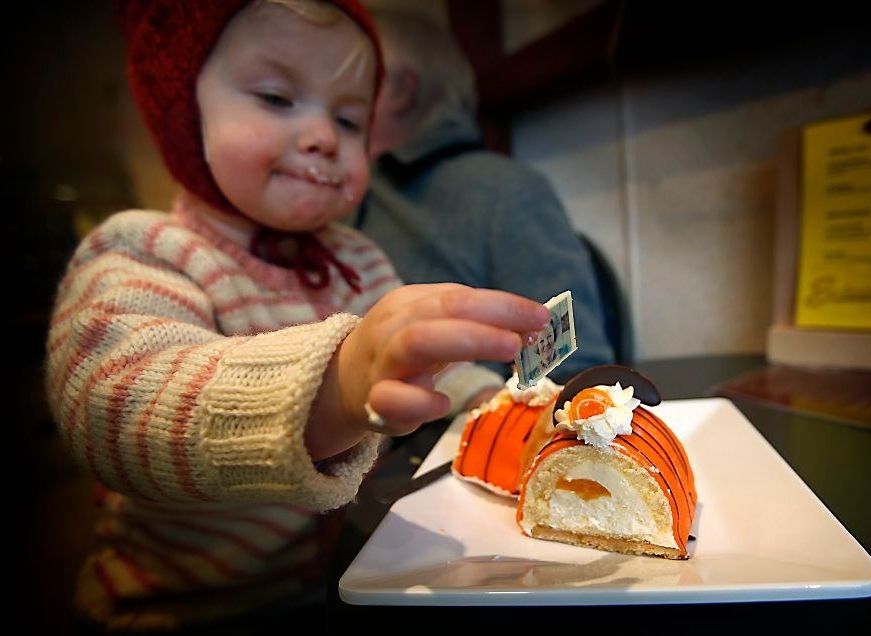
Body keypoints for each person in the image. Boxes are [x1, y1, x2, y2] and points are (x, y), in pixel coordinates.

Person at [46, 0, 549, 630]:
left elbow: (420, 371)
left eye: (348, 118)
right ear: (182, 110)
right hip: (183, 607)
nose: (321, 136)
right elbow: (109, 410)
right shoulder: (142, 249)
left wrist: (490, 401)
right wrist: (332, 389)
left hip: (349, 578)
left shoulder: (358, 257)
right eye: (277, 99)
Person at [353, 6, 616, 381]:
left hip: (457, 423)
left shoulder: (503, 191)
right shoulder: (340, 195)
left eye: (353, 76)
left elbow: (571, 366)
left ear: (400, 88)